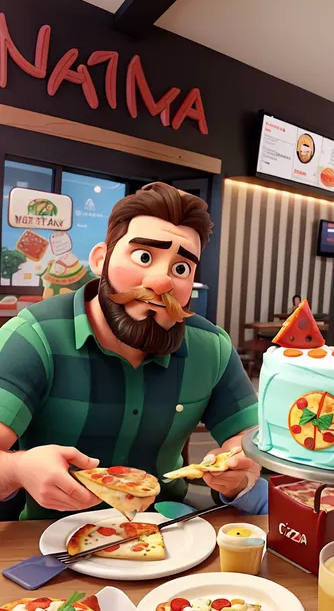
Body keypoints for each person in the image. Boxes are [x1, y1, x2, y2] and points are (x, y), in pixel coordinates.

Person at [0, 182, 268, 519]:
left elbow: (250, 437)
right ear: (101, 258)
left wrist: (240, 465)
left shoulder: (210, 347)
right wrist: (18, 467)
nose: (161, 282)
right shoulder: (34, 336)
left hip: (170, 533)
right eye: (143, 256)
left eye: (180, 268)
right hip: (49, 542)